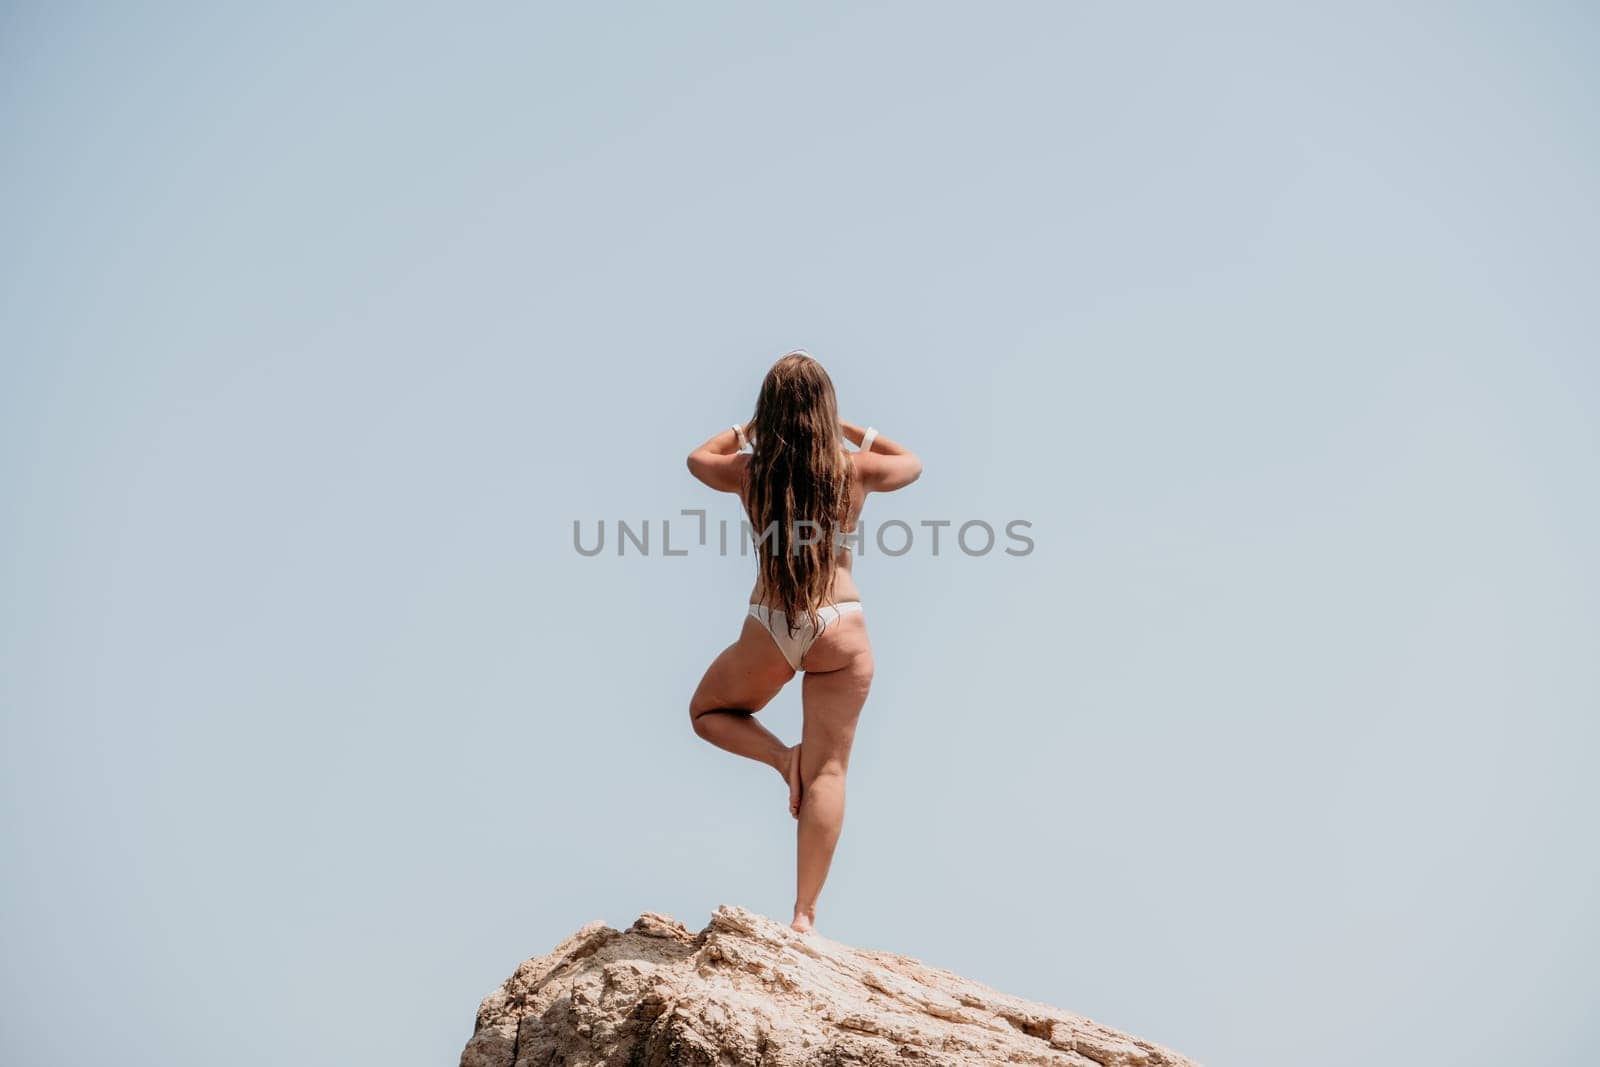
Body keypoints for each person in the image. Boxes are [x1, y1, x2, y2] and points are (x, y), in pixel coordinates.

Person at [685, 349, 922, 935]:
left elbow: (697, 459)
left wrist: (748, 428)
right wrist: (846, 426)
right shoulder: (854, 470)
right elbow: (910, 463)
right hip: (838, 623)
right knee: (830, 773)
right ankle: (803, 916)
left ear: (770, 412)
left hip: (770, 623)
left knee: (707, 712)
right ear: (824, 410)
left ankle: (780, 757)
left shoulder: (749, 470)